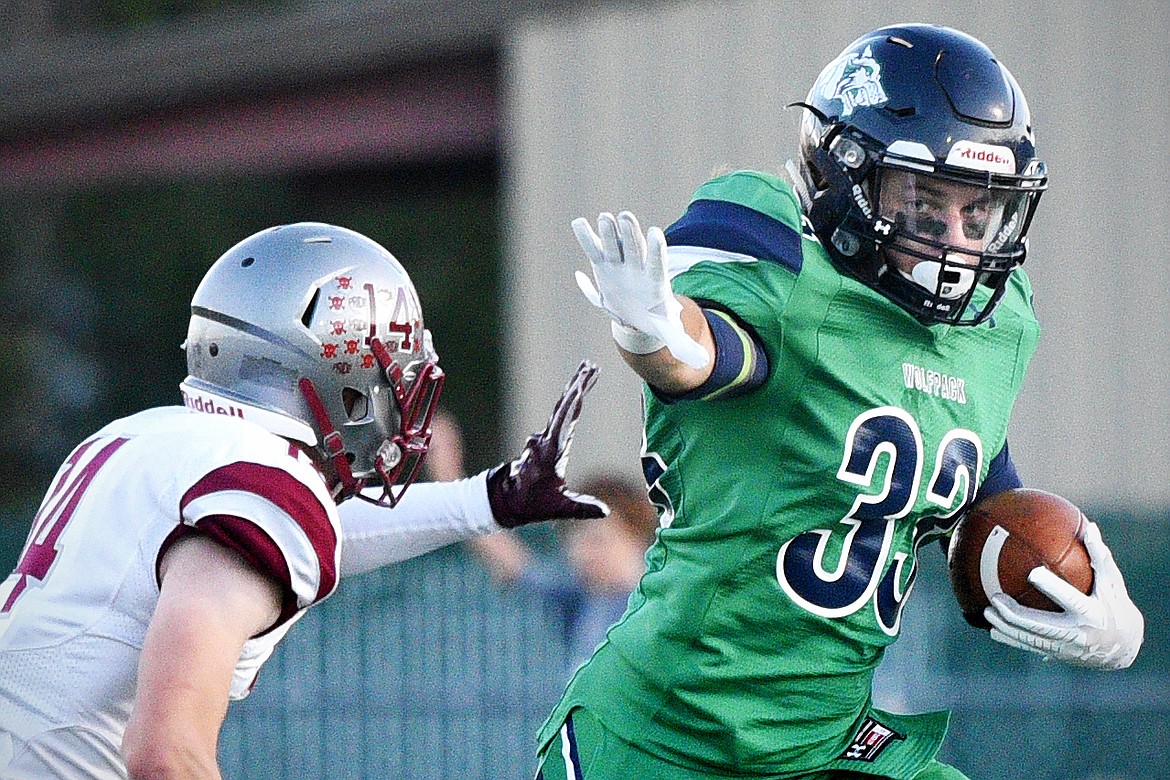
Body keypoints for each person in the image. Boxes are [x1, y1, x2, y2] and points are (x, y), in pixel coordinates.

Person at [537, 24, 1145, 780]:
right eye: (926, 203)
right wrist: (654, 328)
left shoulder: (995, 328)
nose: (956, 239)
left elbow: (975, 487)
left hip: (824, 741)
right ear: (846, 177)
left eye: (978, 210)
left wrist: (1087, 589)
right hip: (671, 738)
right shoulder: (785, 265)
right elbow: (706, 354)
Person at [0, 221, 605, 779]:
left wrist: (491, 500)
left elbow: (317, 527)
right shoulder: (260, 491)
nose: (401, 399)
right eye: (393, 372)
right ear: (337, 378)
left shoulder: (146, 435)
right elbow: (165, 752)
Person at [425, 411, 658, 670]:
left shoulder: (664, 605)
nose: (583, 553)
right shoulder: (585, 597)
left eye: (597, 540)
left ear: (636, 536)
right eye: (576, 541)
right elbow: (513, 563)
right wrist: (448, 476)